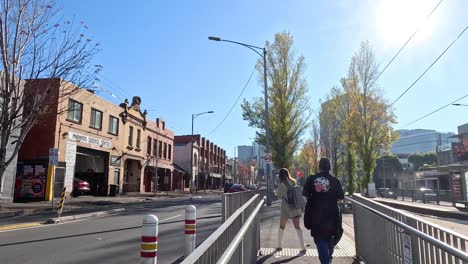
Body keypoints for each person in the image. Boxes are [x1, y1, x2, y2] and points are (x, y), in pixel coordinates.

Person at [303, 158, 344, 264]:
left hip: (316, 214)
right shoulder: (335, 180)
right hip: (332, 214)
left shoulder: (311, 179)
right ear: (329, 167)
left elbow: (305, 195)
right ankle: (328, 258)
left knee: (319, 238)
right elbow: (340, 197)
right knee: (330, 237)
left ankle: (326, 261)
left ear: (319, 166)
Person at [276, 168, 306, 253]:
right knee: (297, 226)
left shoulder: (282, 184)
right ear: (288, 174)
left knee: (282, 226)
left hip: (286, 207)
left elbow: (279, 195)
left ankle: (279, 245)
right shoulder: (294, 181)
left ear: (280, 175)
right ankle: (302, 247)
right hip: (295, 206)